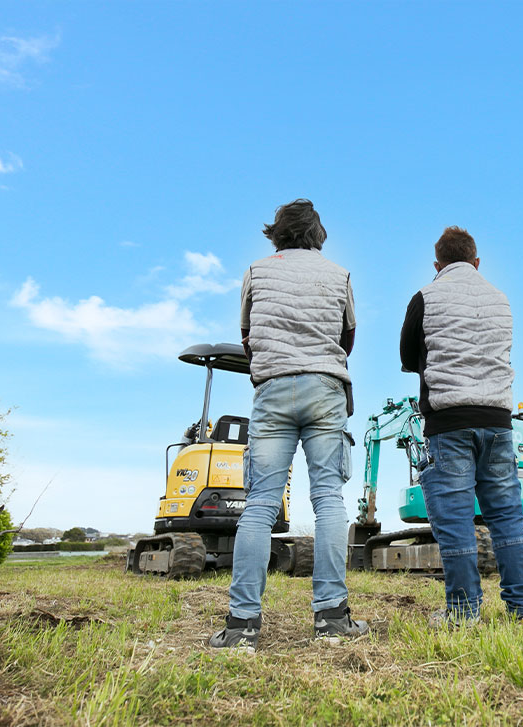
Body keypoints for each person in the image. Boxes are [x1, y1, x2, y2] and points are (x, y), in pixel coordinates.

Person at [210, 199, 368, 649]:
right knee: (328, 499)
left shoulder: (256, 271)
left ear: (275, 233)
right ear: (318, 234)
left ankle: (242, 626)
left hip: (273, 389)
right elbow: (347, 336)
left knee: (259, 504)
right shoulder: (340, 274)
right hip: (324, 388)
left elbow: (247, 334)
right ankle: (332, 619)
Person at [400, 226, 523, 627]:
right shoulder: (501, 299)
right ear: (477, 262)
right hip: (498, 421)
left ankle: (463, 613)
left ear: (437, 265)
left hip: (449, 421)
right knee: (508, 518)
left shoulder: (425, 296)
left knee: (457, 522)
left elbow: (408, 355)